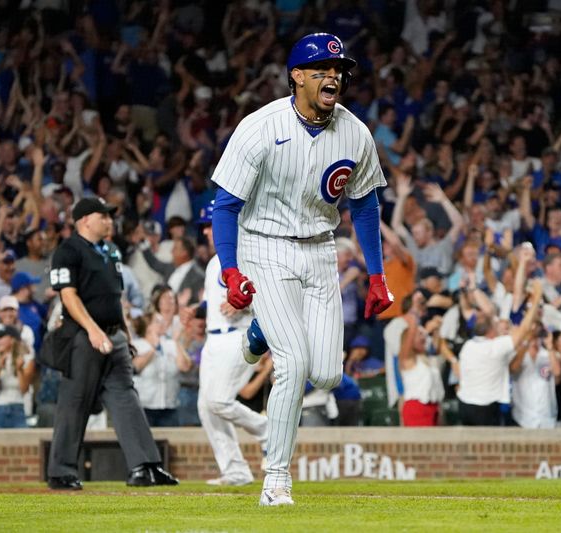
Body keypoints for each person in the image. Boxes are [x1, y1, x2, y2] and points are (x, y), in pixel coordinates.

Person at [210, 33, 392, 506]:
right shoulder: (259, 126)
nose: (333, 76)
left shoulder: (355, 133)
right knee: (293, 364)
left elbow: (366, 206)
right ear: (296, 76)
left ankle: (258, 335)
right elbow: (225, 206)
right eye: (321, 69)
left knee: (328, 373)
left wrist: (376, 275)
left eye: (338, 69)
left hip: (319, 248)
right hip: (263, 245)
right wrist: (230, 271)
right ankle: (276, 479)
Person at [46, 197, 178, 490]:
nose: (109, 220)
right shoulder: (67, 251)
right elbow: (68, 295)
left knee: (126, 397)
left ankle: (145, 465)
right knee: (75, 402)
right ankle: (61, 471)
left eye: (109, 216)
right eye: (102, 216)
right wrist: (93, 331)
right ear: (84, 220)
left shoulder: (110, 251)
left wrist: (126, 335)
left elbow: (115, 296)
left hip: (114, 335)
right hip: (84, 337)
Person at [196, 200, 269, 487]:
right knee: (206, 407)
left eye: (209, 225)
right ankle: (235, 470)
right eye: (204, 227)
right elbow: (214, 300)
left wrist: (245, 306)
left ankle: (268, 431)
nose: (205, 232)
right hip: (212, 340)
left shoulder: (244, 253)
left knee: (219, 401)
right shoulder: (216, 260)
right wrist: (197, 309)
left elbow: (266, 296)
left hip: (235, 336)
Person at [457, 280, 543, 425]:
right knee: (489, 447)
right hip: (484, 408)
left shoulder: (468, 346)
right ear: (491, 332)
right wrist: (537, 298)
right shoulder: (495, 347)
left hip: (464, 405)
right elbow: (524, 328)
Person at [0, 325, 35, 429]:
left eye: (1, 337)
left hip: (18, 408)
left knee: (23, 445)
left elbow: (24, 390)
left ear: (12, 340)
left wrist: (20, 370)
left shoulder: (27, 359)